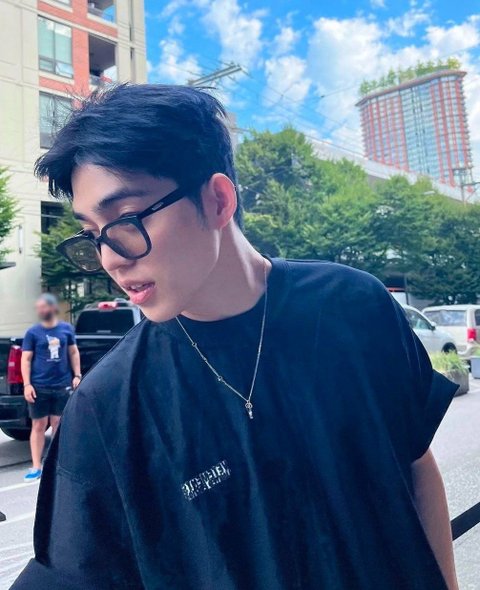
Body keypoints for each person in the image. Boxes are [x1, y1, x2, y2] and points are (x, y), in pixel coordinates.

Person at [12, 84, 458, 590]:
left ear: (218, 200)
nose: (111, 258)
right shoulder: (109, 405)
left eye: (125, 221)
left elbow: (415, 464)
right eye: (93, 234)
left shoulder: (354, 307)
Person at [21, 293, 81, 482]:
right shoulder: (33, 332)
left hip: (62, 385)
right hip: (39, 386)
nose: (41, 310)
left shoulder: (66, 329)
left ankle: (56, 465)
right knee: (38, 425)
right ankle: (36, 467)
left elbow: (73, 352)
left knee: (58, 425)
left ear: (53, 308)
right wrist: (27, 384)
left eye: (44, 307)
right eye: (38, 308)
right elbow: (26, 359)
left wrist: (77, 375)